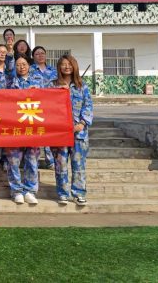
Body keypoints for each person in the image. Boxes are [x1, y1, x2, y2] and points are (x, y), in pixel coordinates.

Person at [50, 54, 93, 206]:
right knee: (60, 164)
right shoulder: (53, 85)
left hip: (79, 133)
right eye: (63, 64)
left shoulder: (82, 86)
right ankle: (62, 193)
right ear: (59, 67)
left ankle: (79, 193)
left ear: (74, 66)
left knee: (78, 165)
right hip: (60, 133)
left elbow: (88, 106)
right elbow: (48, 106)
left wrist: (82, 123)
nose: (67, 67)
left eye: (69, 64)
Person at [7, 54, 40, 205]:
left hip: (33, 127)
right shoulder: (10, 82)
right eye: (18, 65)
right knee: (14, 161)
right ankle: (16, 191)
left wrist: (38, 92)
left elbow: (49, 99)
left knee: (32, 160)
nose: (21, 67)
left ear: (29, 66)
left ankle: (30, 191)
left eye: (24, 64)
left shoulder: (38, 81)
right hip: (14, 127)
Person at [30, 45, 57, 169]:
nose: (40, 56)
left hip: (50, 106)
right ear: (33, 57)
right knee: (36, 132)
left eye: (42, 53)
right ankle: (33, 161)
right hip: (35, 106)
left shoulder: (54, 70)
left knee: (49, 131)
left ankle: (50, 160)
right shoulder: (30, 70)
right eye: (37, 54)